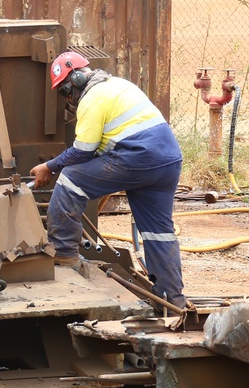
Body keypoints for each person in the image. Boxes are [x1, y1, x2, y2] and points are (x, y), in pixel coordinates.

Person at [28, 51, 186, 308]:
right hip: (166, 161)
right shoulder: (120, 86)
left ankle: (64, 253)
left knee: (71, 180)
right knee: (159, 233)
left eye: (66, 89)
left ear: (77, 78)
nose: (68, 97)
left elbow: (83, 150)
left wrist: (49, 166)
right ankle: (170, 300)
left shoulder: (92, 98)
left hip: (137, 157)